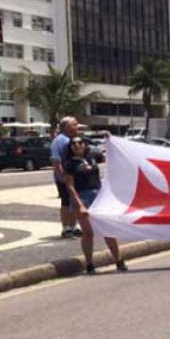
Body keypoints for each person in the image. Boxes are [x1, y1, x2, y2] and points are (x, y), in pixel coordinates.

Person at [63, 134, 126, 274]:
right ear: (71, 148)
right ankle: (90, 264)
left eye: (80, 143)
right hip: (81, 196)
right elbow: (70, 186)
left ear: (84, 145)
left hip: (98, 195)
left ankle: (119, 260)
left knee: (108, 229)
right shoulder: (69, 164)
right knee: (88, 233)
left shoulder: (91, 158)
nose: (77, 145)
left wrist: (108, 139)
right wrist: (80, 205)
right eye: (74, 144)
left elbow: (112, 155)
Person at [51, 117, 80, 238]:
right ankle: (66, 228)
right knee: (66, 203)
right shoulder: (59, 140)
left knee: (75, 202)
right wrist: (63, 177)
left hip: (74, 176)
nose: (77, 126)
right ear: (67, 127)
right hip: (64, 178)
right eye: (74, 124)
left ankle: (74, 226)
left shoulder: (73, 140)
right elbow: (56, 160)